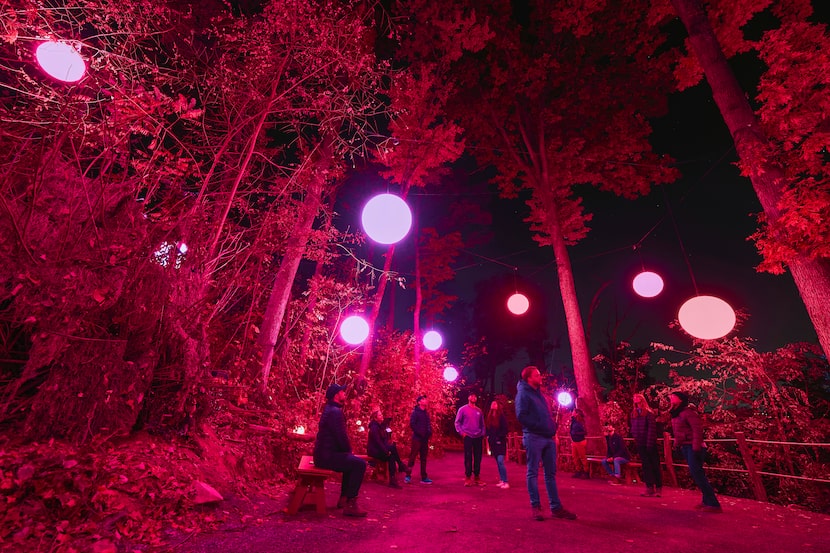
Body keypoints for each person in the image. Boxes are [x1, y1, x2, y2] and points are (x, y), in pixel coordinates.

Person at [515, 366, 577, 521]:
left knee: (550, 474)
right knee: (533, 472)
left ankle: (556, 507)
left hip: (548, 438)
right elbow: (521, 416)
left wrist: (552, 428)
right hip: (534, 437)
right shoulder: (523, 394)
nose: (540, 377)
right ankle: (536, 507)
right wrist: (540, 427)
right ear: (529, 378)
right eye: (537, 375)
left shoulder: (540, 396)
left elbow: (547, 415)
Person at [313, 383, 368, 517]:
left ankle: (344, 499)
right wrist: (348, 452)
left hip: (323, 454)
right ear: (336, 395)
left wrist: (347, 453)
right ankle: (350, 503)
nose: (344, 394)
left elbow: (338, 437)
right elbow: (341, 436)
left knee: (351, 462)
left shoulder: (331, 409)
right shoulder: (335, 412)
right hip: (326, 456)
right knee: (359, 464)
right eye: (342, 392)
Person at [670, 391, 722, 513]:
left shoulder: (688, 413)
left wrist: (695, 447)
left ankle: (713, 504)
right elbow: (678, 431)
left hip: (693, 446)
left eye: (674, 397)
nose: (671, 398)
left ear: (681, 400)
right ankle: (707, 501)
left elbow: (697, 430)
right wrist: (677, 444)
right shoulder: (676, 414)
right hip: (686, 446)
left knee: (697, 474)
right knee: (698, 474)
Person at [367, 408, 409, 488]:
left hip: (379, 449)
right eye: (380, 415)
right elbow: (377, 442)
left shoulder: (380, 427)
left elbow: (384, 441)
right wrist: (386, 451)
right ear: (375, 418)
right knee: (392, 449)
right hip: (374, 451)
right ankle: (400, 466)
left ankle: (393, 480)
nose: (382, 416)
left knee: (392, 456)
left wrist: (387, 448)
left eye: (381, 414)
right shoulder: (374, 427)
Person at [631, 393, 662, 497]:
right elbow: (633, 427)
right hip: (640, 442)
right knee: (646, 466)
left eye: (638, 398)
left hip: (649, 443)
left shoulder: (648, 413)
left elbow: (651, 429)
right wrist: (636, 437)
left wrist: (649, 443)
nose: (636, 400)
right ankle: (649, 487)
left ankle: (658, 487)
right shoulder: (634, 413)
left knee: (654, 465)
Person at [455, 392, 487, 486]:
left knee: (478, 457)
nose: (473, 397)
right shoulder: (462, 409)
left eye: (475, 396)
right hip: (468, 436)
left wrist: (482, 433)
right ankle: (468, 477)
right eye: (471, 395)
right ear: (468, 397)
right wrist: (462, 433)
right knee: (468, 457)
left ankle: (477, 477)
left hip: (478, 437)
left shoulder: (479, 411)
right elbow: (457, 422)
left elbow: (482, 424)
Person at [406, 394, 433, 484]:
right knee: (413, 456)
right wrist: (420, 433)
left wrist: (429, 432)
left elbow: (428, 424)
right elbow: (412, 424)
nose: (425, 400)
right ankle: (408, 475)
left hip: (424, 439)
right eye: (423, 399)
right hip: (417, 438)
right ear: (419, 402)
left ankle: (424, 477)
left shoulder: (426, 413)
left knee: (423, 458)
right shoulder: (415, 412)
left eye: (425, 399)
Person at [486, 401, 510, 488]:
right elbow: (488, 428)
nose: (493, 405)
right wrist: (488, 436)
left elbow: (505, 429)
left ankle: (506, 481)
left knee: (500, 461)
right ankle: (502, 480)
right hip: (493, 442)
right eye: (492, 403)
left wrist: (499, 437)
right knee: (497, 461)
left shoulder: (501, 417)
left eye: (495, 404)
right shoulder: (490, 417)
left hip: (500, 441)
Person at [569, 408, 589, 479]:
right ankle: (578, 471)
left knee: (582, 457)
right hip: (574, 441)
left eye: (574, 412)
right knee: (575, 457)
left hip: (580, 441)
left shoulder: (580, 422)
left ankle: (586, 472)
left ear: (577, 413)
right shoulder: (574, 421)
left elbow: (585, 432)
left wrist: (576, 433)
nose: (572, 412)